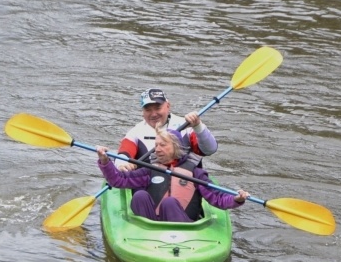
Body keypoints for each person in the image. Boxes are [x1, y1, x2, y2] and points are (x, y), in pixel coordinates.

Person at [97, 126, 249, 223]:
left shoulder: (195, 173)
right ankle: (144, 233)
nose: (157, 149)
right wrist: (105, 161)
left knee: (169, 203)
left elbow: (218, 198)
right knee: (140, 196)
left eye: (162, 145)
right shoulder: (149, 170)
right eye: (156, 145)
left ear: (177, 147)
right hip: (149, 226)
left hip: (182, 227)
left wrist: (237, 199)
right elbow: (118, 181)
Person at [115, 88, 217, 171]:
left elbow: (210, 150)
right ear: (143, 112)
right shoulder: (136, 132)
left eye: (158, 108)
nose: (153, 114)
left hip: (185, 185)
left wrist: (198, 126)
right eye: (148, 110)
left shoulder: (187, 126)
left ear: (168, 106)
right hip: (150, 188)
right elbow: (124, 153)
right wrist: (122, 164)